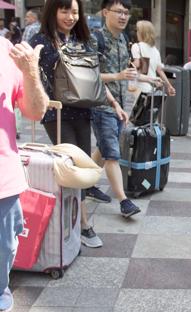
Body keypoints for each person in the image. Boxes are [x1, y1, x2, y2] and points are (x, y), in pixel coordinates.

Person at [31, 0, 127, 248]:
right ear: (53, 11)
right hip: (56, 114)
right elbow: (31, 79)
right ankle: (83, 224)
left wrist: (114, 103)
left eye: (75, 11)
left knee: (82, 169)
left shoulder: (81, 41)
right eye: (65, 10)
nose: (71, 16)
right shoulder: (40, 40)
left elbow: (94, 79)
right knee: (71, 165)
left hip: (83, 111)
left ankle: (73, 221)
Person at [1, 38, 49, 312]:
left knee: (4, 246)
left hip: (3, 176)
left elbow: (35, 111)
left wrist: (30, 70)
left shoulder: (8, 50)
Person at [91, 0, 142, 218]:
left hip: (120, 104)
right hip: (102, 103)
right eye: (118, 12)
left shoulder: (123, 38)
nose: (123, 16)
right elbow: (89, 75)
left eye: (126, 13)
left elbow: (125, 73)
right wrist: (118, 76)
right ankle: (124, 200)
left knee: (103, 148)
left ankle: (87, 183)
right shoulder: (95, 39)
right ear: (105, 12)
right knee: (112, 152)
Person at [131, 20, 176, 97]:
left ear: (142, 32)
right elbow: (160, 70)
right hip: (151, 89)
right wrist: (169, 86)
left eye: (137, 30)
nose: (136, 33)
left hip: (137, 89)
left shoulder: (136, 46)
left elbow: (136, 67)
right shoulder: (155, 50)